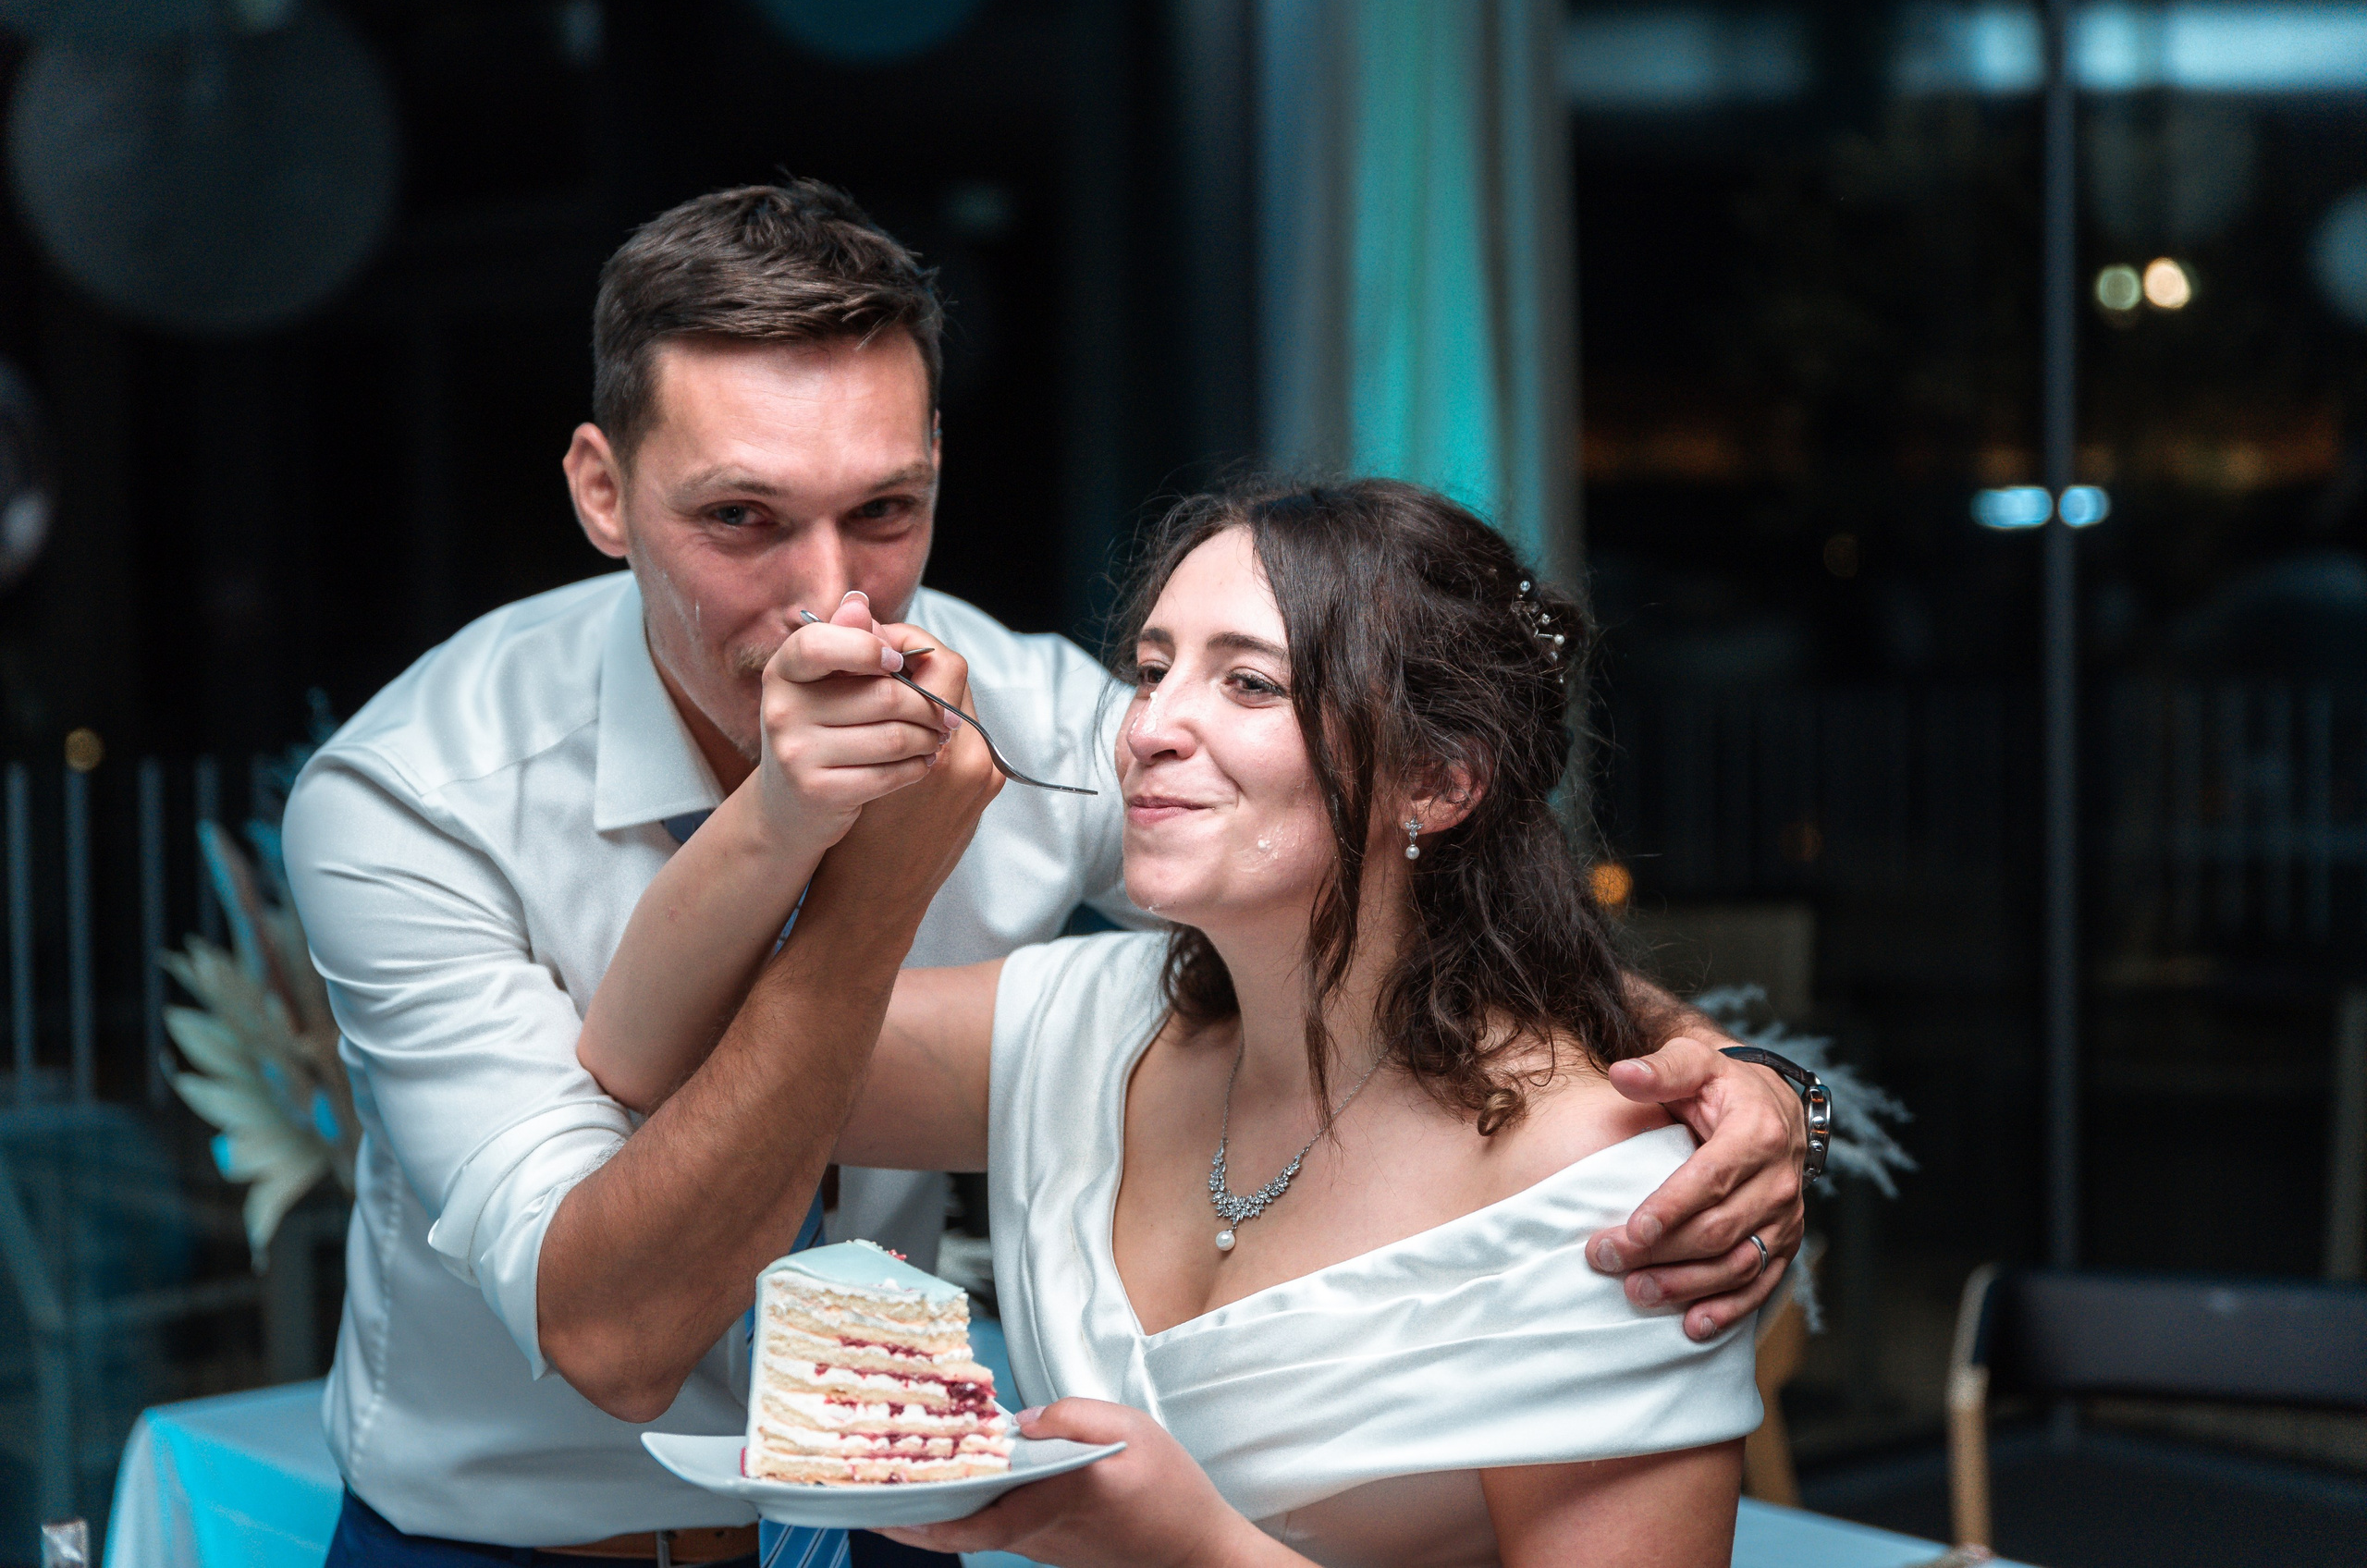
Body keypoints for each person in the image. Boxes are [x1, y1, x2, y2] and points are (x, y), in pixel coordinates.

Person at [283, 179, 1807, 1567]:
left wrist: (1703, 1069)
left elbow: (1399, 903)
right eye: (744, 519)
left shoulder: (1017, 715)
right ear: (605, 493)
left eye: (886, 513)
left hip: (890, 1520)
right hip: (513, 1539)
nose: (835, 601)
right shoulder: (410, 801)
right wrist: (817, 851)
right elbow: (613, 1318)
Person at [581, 478, 1797, 1568]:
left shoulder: (1597, 1189)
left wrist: (1192, 1550)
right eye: (1156, 667)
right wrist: (789, 816)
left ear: (1438, 779)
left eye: (1250, 680)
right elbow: (654, 1048)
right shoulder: (1086, 1027)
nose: (1150, 724)